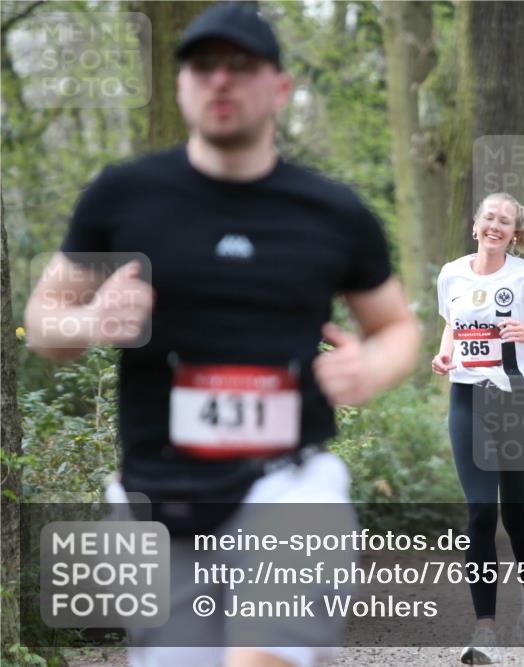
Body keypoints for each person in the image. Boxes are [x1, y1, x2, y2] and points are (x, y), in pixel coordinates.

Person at [24, 5, 421, 667]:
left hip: (289, 480)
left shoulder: (332, 211)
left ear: (281, 88)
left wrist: (370, 369)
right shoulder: (123, 198)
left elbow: (396, 327)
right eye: (204, 66)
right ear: (181, 84)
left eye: (241, 66)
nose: (220, 81)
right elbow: (45, 322)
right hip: (156, 494)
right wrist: (92, 323)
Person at [432, 192, 524, 664]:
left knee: (515, 516)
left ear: (513, 233)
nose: (495, 225)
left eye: (504, 221)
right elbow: (452, 324)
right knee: (480, 515)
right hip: (467, 399)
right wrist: (445, 351)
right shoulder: (451, 273)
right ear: (475, 225)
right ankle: (484, 630)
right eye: (489, 217)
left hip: (513, 403)